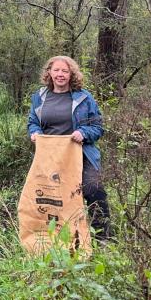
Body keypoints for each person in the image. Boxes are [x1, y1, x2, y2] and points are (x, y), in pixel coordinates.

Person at [27, 55, 112, 240]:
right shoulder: (39, 97)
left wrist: (83, 133)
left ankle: (103, 237)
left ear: (71, 74)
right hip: (51, 158)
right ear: (49, 73)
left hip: (81, 155)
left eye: (65, 71)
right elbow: (33, 122)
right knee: (53, 198)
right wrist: (34, 132)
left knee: (93, 188)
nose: (60, 74)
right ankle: (58, 237)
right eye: (56, 70)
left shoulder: (84, 97)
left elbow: (97, 127)